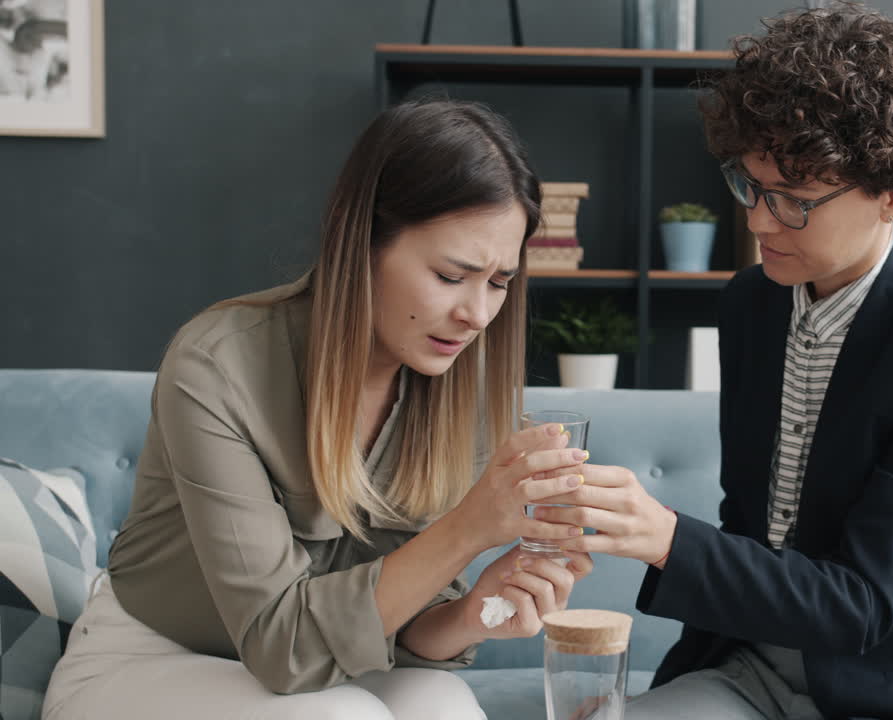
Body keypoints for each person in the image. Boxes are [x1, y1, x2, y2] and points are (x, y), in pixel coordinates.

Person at [534, 3, 893, 718]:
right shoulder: (751, 305)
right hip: (748, 667)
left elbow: (861, 604)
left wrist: (667, 538)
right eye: (750, 185)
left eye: (794, 202)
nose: (759, 220)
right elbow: (749, 519)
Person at [42, 98, 594, 720]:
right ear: (361, 243)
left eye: (498, 283)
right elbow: (283, 647)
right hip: (143, 661)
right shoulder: (218, 366)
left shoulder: (456, 386)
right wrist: (468, 528)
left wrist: (471, 614)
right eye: (450, 275)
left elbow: (393, 639)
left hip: (304, 675)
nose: (477, 314)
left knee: (444, 703)